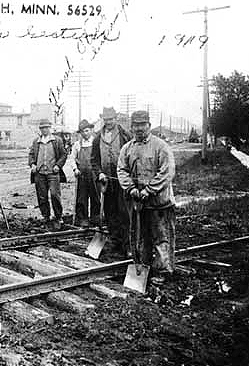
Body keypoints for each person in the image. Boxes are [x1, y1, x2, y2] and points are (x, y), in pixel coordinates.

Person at [117, 110, 176, 283]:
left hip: (159, 203)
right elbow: (121, 170)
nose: (139, 128)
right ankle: (145, 268)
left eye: (143, 124)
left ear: (149, 126)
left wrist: (149, 190)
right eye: (136, 125)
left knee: (161, 237)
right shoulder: (127, 148)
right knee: (141, 237)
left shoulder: (161, 146)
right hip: (138, 203)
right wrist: (131, 189)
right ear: (132, 127)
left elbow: (167, 172)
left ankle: (163, 271)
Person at [91, 106, 132, 255]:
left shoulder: (125, 135)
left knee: (124, 212)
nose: (108, 122)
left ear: (116, 118)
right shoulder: (97, 138)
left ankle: (127, 244)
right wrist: (99, 173)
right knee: (110, 212)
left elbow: (132, 156)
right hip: (106, 182)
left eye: (111, 119)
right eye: (106, 119)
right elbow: (94, 160)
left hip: (123, 180)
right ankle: (115, 241)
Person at [28, 118, 67, 228]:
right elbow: (31, 155)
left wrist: (58, 166)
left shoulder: (57, 140)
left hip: (53, 173)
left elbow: (64, 155)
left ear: (50, 128)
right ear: (40, 129)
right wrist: (33, 165)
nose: (44, 130)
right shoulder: (36, 141)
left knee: (55, 195)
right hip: (39, 173)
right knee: (42, 197)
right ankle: (46, 217)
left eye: (46, 127)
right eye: (42, 128)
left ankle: (58, 217)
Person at [73, 119, 100, 227]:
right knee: (82, 197)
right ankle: (82, 218)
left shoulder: (96, 142)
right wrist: (75, 169)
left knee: (96, 196)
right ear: (80, 133)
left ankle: (95, 217)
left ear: (91, 130)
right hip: (82, 174)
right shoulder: (77, 144)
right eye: (83, 131)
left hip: (94, 173)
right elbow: (72, 158)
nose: (85, 133)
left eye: (87, 130)